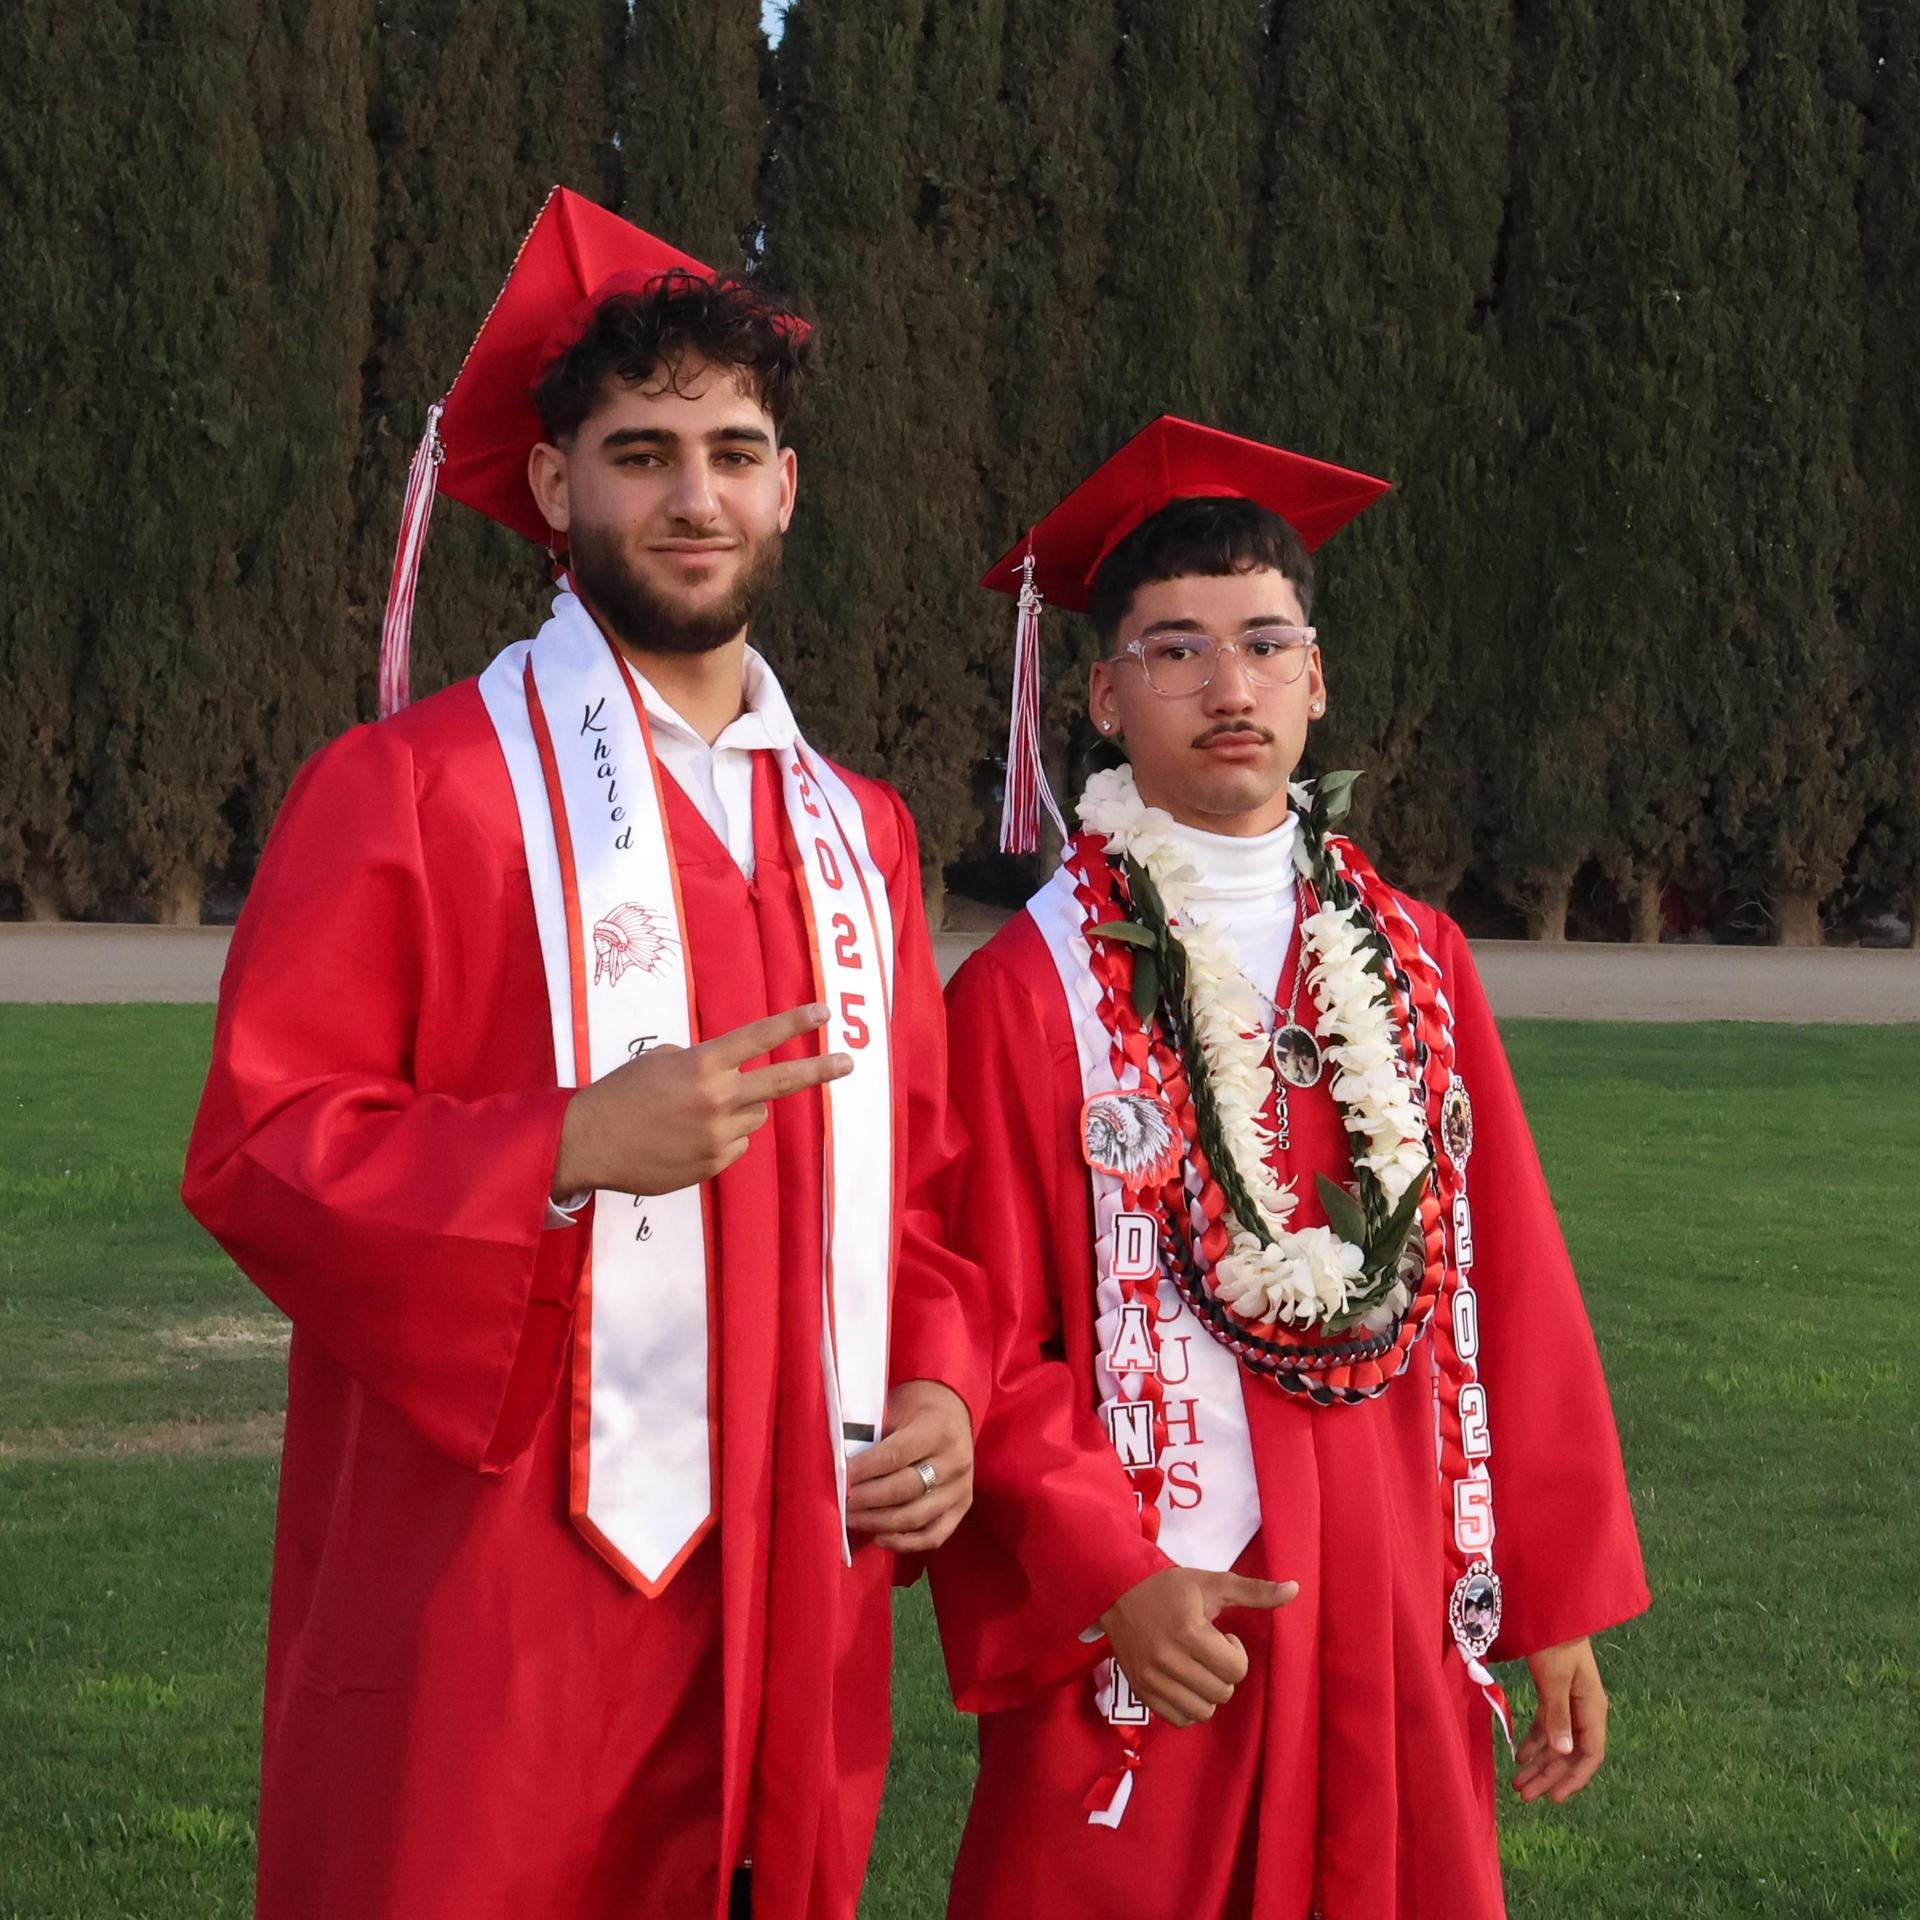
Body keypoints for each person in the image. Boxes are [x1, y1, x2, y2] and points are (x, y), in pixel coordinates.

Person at [182, 186, 982, 1920]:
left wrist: (942, 1385)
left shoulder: (858, 834)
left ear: (786, 487)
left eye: (733, 453)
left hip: (794, 1571)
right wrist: (555, 1146)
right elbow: (260, 1147)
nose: (694, 497)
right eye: (641, 455)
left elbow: (920, 1193)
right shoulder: (410, 792)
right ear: (554, 487)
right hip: (503, 1589)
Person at [931, 415, 1649, 1917]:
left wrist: (1550, 1596)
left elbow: (1507, 1277)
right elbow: (982, 1331)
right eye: (1175, 649)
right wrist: (1103, 1571)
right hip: (1169, 1594)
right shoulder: (1026, 993)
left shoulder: (1415, 962)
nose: (1229, 686)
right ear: (1104, 696)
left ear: (1317, 680)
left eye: (1266, 644)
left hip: (1394, 1571)